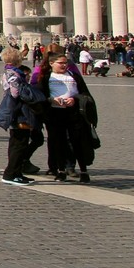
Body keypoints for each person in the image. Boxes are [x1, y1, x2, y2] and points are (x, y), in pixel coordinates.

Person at [39, 53, 95, 183]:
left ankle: (83, 170)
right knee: (59, 143)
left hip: (74, 113)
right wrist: (51, 100)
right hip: (54, 114)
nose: (64, 65)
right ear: (52, 63)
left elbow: (85, 93)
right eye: (61, 63)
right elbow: (40, 95)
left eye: (65, 63)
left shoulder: (74, 76)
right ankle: (61, 170)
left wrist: (74, 99)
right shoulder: (46, 77)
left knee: (77, 142)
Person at [0, 47, 44, 186]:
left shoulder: (9, 71)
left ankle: (16, 173)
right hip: (18, 111)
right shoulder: (13, 73)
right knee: (19, 143)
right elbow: (16, 93)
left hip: (16, 109)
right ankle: (10, 174)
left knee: (18, 143)